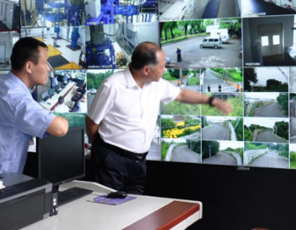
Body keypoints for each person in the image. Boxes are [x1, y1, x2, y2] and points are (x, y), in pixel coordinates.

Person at [86, 42, 232, 194]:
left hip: (139, 164)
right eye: (162, 66)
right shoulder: (112, 86)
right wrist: (101, 153)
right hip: (111, 163)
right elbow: (91, 122)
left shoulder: (156, 84)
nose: (165, 69)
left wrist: (212, 101)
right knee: (107, 205)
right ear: (146, 70)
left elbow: (181, 94)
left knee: (134, 206)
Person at [0, 37, 69, 175]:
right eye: (45, 63)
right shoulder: (19, 101)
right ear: (29, 67)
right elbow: (61, 128)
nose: (48, 68)